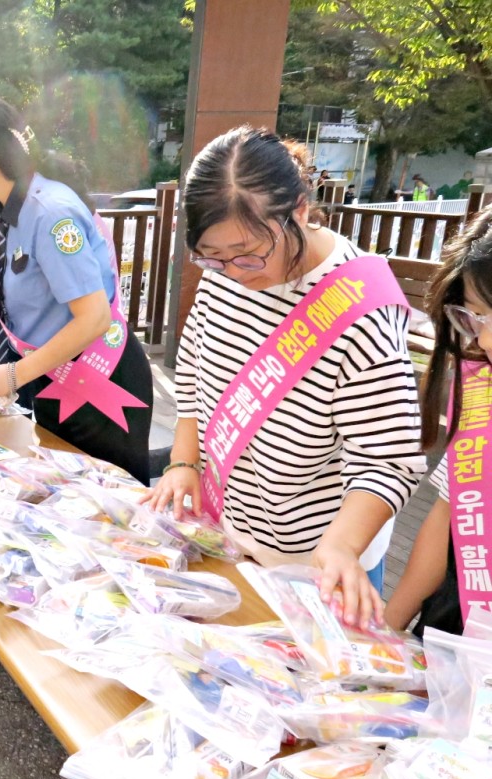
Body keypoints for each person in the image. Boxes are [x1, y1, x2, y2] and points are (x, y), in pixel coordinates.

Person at [144, 126, 425, 629]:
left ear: (298, 210)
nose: (234, 270)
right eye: (212, 255)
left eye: (250, 251)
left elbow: (388, 459)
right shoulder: (227, 269)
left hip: (319, 564)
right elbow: (192, 374)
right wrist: (183, 461)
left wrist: (341, 546)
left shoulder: (360, 309)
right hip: (231, 534)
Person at [0, 90, 153, 482]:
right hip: (53, 379)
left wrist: (14, 375)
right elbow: (11, 306)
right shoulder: (3, 213)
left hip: (101, 384)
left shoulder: (50, 213)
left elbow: (94, 318)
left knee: (107, 517)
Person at [385, 206, 492, 636]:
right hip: (455, 630)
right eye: (474, 316)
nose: (481, 339)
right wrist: (383, 631)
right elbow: (446, 519)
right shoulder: (484, 395)